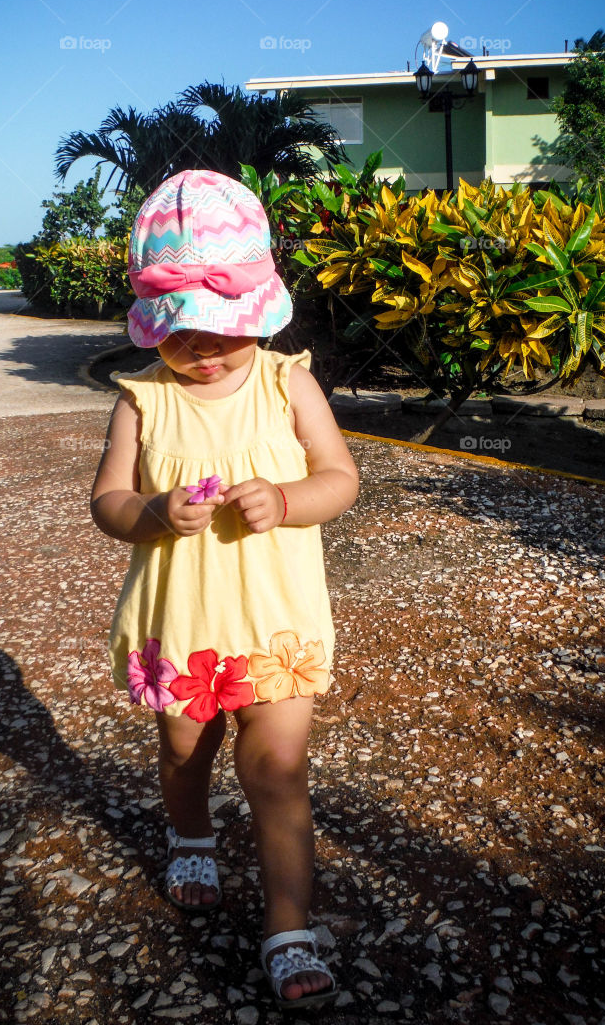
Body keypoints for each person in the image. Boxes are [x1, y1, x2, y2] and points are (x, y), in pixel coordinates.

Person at [90, 169, 359, 1010]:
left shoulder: (289, 384)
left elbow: (340, 479)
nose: (201, 350)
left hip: (276, 623)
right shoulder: (143, 400)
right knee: (182, 753)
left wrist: (284, 501)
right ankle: (191, 832)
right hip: (185, 623)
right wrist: (153, 513)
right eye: (181, 334)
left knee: (278, 768)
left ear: (257, 316)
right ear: (151, 327)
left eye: (220, 331)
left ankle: (288, 925)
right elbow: (108, 502)